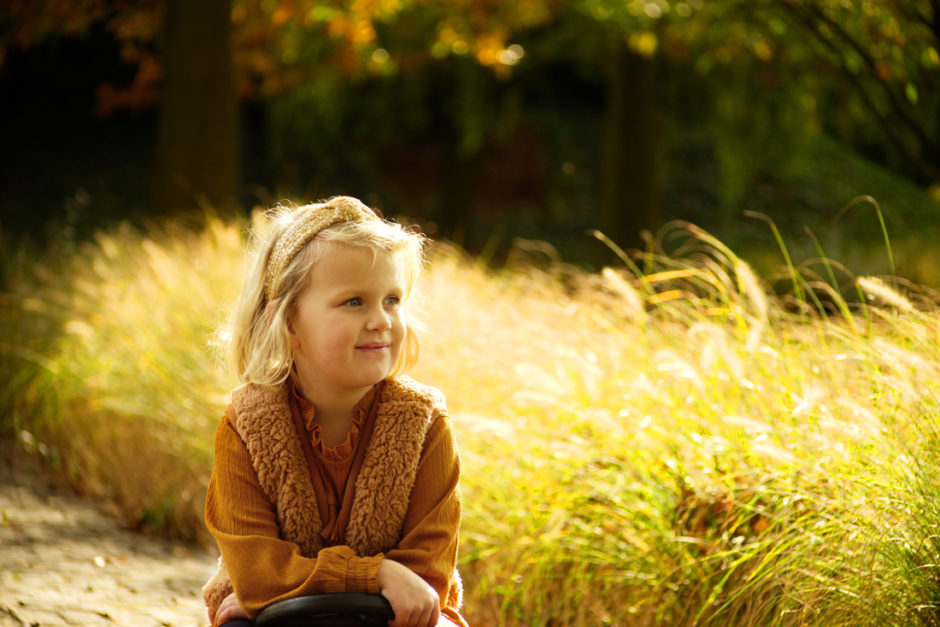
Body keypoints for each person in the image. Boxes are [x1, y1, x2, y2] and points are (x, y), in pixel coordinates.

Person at [201, 196, 466, 627]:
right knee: (238, 620)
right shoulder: (246, 426)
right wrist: (373, 573)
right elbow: (259, 573)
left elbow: (424, 578)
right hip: (282, 616)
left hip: (394, 619)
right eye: (354, 302)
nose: (381, 320)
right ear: (289, 323)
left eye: (392, 300)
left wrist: (373, 586)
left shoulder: (425, 424)